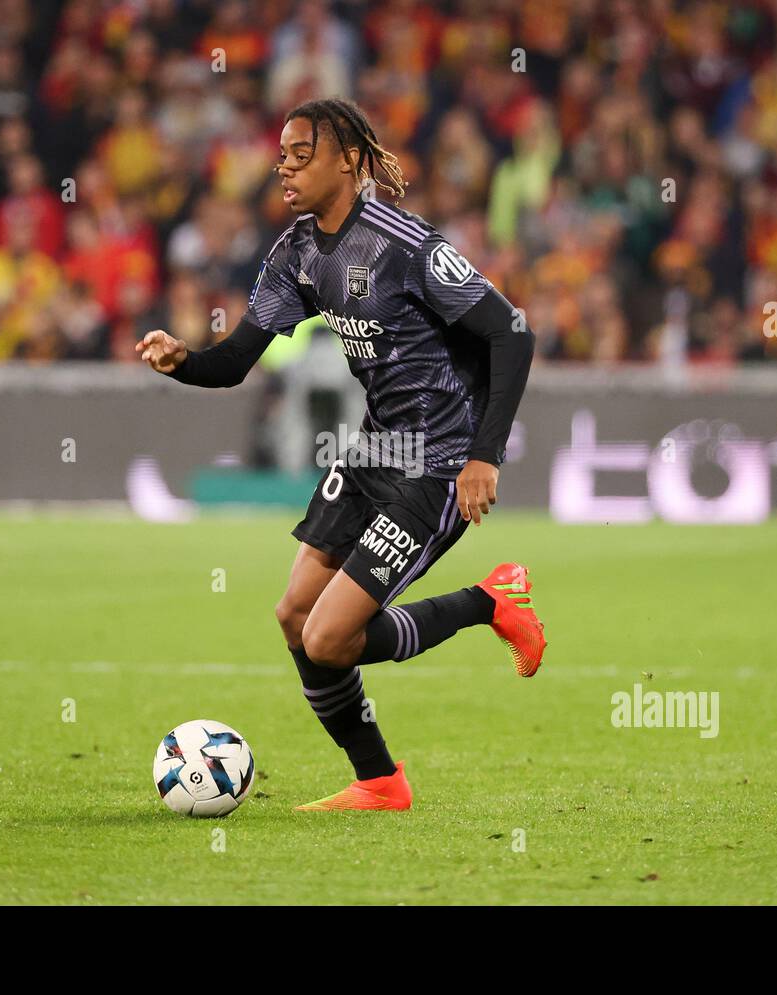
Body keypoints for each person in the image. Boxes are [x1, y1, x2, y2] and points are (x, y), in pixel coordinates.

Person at [138, 98, 546, 811]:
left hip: (438, 460)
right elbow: (237, 360)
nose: (284, 167)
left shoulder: (405, 244)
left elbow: (513, 333)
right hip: (373, 447)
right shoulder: (295, 250)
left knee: (330, 637)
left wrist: (485, 456)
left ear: (348, 161)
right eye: (282, 155)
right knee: (295, 615)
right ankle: (380, 781)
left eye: (302, 154)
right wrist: (183, 361)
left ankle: (488, 602)